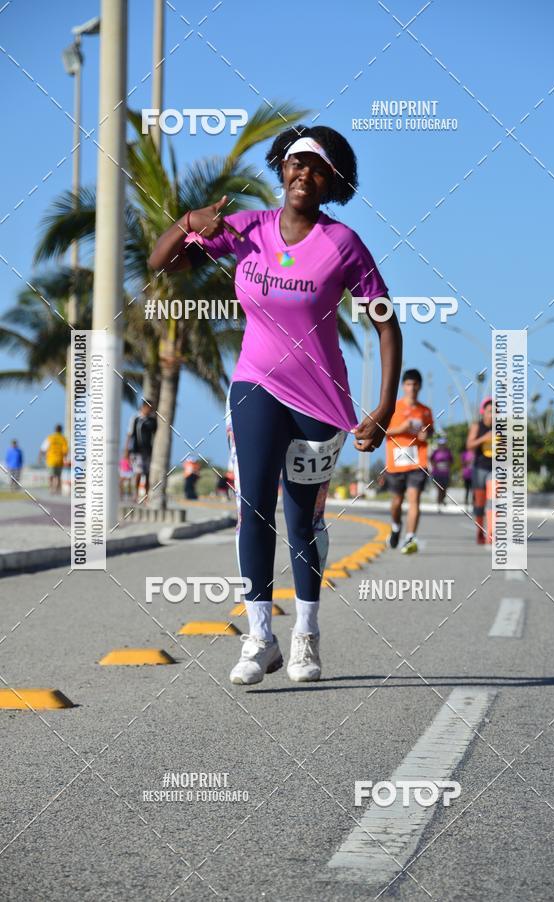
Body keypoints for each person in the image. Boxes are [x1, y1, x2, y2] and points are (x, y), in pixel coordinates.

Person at [149, 125, 402, 685]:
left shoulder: (344, 245)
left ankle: (306, 636)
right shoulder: (246, 230)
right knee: (253, 507)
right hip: (255, 385)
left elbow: (386, 325)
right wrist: (190, 222)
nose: (302, 173)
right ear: (281, 170)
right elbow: (161, 263)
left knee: (302, 520)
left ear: (330, 180)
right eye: (294, 163)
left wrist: (383, 408)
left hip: (320, 400)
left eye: (315, 166)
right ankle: (259, 638)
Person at [384, 369, 433, 553]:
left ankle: (410, 538)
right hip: (396, 462)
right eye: (408, 384)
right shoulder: (392, 408)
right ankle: (396, 527)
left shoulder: (425, 411)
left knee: (415, 500)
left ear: (419, 386)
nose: (412, 388)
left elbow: (430, 432)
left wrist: (425, 434)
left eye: (415, 384)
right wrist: (402, 428)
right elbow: (382, 432)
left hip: (417, 462)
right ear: (403, 386)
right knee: (397, 501)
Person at [466, 397, 493, 544]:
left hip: (495, 469)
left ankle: (492, 533)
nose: (492, 415)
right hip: (479, 468)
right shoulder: (477, 426)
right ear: (483, 412)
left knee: (494, 500)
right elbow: (469, 445)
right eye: (490, 412)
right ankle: (479, 532)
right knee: (480, 504)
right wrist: (484, 438)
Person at [126, 400, 157, 503]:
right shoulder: (135, 419)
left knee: (147, 474)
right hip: (137, 450)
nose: (150, 410)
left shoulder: (152, 421)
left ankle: (146, 496)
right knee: (138, 472)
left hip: (148, 451)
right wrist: (127, 450)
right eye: (148, 407)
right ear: (143, 407)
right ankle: (135, 494)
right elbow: (130, 434)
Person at [40, 425, 68, 495]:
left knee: (51, 475)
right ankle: (56, 489)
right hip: (59, 460)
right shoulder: (63, 438)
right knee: (58, 476)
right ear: (61, 430)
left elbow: (43, 448)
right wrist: (65, 458)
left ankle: (51, 488)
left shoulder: (50, 438)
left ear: (55, 430)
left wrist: (40, 456)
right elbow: (65, 451)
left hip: (50, 460)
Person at [430, 436, 453, 511]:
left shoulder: (448, 451)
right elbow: (431, 460)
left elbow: (451, 461)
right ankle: (439, 503)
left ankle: (442, 500)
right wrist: (435, 465)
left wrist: (447, 464)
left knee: (444, 489)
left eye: (443, 444)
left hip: (445, 473)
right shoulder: (435, 452)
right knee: (439, 489)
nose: (442, 445)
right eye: (441, 444)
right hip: (437, 474)